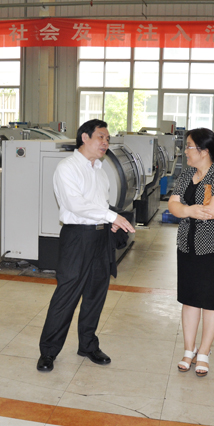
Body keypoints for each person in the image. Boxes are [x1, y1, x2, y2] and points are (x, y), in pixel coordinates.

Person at [37, 119, 135, 372]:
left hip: (101, 238)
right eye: (101, 137)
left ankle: (88, 345)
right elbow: (75, 204)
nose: (105, 143)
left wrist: (111, 221)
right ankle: (48, 352)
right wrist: (112, 216)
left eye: (107, 139)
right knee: (66, 295)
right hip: (77, 237)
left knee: (95, 294)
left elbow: (100, 206)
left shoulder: (100, 171)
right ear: (84, 137)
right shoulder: (67, 168)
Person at [167, 128, 214, 377]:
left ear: (204, 151)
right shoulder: (187, 174)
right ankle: (189, 350)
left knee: (211, 301)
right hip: (187, 244)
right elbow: (172, 204)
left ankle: (204, 352)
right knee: (190, 299)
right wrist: (189, 210)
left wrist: (185, 209)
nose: (185, 151)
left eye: (189, 146)